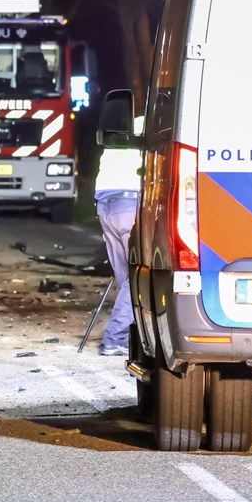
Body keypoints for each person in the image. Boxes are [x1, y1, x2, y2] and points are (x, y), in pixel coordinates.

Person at [93, 116, 144, 355]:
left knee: (125, 277)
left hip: (105, 204)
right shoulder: (152, 124)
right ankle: (115, 339)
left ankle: (130, 334)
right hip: (129, 203)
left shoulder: (122, 125)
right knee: (136, 278)